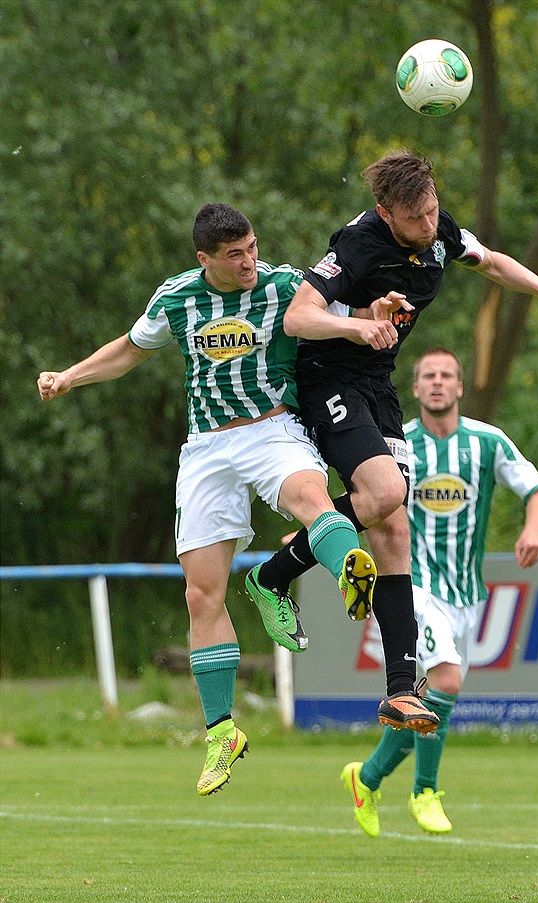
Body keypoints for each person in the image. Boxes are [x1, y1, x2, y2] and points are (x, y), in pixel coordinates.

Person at [248, 149, 538, 737]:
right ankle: (276, 572)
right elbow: (298, 318)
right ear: (386, 212)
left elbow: (490, 262)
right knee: (383, 492)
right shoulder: (357, 245)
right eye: (415, 219)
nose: (428, 225)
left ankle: (399, 692)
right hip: (328, 377)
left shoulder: (438, 226)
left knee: (394, 522)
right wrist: (359, 324)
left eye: (432, 212)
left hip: (375, 382)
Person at [36, 202, 377, 796]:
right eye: (233, 255)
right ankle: (222, 731)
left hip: (273, 429)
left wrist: (375, 314)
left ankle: (349, 564)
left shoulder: (286, 285)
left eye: (250, 248)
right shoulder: (177, 298)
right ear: (205, 259)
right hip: (206, 450)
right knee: (200, 594)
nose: (248, 262)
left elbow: (343, 314)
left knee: (309, 494)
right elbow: (129, 348)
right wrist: (70, 375)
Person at [341, 347, 538, 836]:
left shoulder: (486, 442)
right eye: (428, 375)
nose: (437, 382)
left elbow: (534, 489)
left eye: (447, 375)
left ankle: (366, 778)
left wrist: (533, 530)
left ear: (459, 387)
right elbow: (366, 501)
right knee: (447, 682)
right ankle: (425, 792)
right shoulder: (396, 445)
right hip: (412, 586)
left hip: (466, 593)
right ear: (414, 389)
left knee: (435, 700)